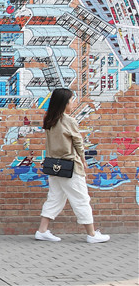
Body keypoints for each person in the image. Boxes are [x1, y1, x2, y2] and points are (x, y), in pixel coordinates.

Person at [35, 88, 110, 244]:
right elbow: (78, 143)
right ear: (64, 103)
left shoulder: (49, 120)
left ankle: (42, 231)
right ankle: (92, 234)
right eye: (71, 101)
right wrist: (82, 159)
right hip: (69, 166)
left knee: (55, 198)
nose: (73, 103)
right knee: (81, 198)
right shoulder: (69, 121)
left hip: (54, 166)